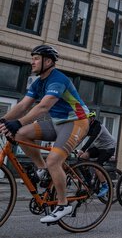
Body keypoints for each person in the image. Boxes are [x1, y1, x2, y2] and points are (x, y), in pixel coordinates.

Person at [0, 45, 90, 223]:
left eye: (36, 58)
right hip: (56, 123)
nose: (31, 61)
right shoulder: (38, 82)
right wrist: (3, 121)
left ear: (48, 61)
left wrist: (18, 121)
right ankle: (42, 169)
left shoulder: (58, 79)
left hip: (76, 121)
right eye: (32, 58)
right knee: (20, 134)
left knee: (54, 160)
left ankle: (63, 205)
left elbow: (43, 106)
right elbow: (22, 106)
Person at [77, 112, 116, 198]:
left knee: (97, 167)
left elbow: (92, 139)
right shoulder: (87, 127)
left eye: (86, 119)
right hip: (98, 147)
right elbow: (80, 137)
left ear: (92, 119)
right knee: (82, 158)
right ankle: (90, 181)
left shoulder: (98, 126)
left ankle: (105, 186)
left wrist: (82, 149)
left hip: (108, 148)